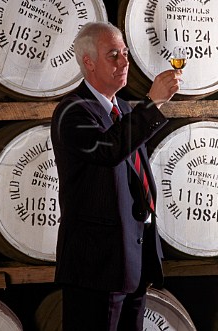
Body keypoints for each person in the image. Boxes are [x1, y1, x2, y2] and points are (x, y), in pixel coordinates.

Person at [50, 21, 181, 330]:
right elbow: (109, 151)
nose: (124, 62)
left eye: (124, 53)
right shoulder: (72, 112)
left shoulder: (121, 108)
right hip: (96, 264)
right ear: (88, 62)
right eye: (113, 55)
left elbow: (134, 174)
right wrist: (153, 104)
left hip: (133, 258)